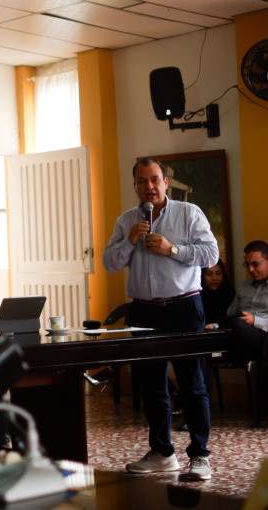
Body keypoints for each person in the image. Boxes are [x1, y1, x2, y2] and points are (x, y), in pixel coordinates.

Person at [102, 157, 218, 481]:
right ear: (135, 186)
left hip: (184, 307)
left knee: (193, 384)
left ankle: (200, 455)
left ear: (165, 182)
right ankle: (162, 453)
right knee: (152, 385)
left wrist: (173, 250)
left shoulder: (189, 213)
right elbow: (109, 263)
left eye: (154, 180)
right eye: (142, 181)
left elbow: (211, 254)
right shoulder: (126, 221)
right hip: (144, 311)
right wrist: (129, 242)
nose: (149, 187)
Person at [206, 241, 268, 362]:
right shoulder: (244, 286)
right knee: (205, 337)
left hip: (267, 340)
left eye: (255, 264)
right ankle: (211, 360)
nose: (250, 269)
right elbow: (231, 315)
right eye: (247, 265)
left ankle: (218, 354)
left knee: (237, 326)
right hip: (239, 335)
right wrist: (217, 326)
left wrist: (255, 321)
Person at [200, 260, 235, 327]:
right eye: (209, 274)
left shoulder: (229, 292)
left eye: (218, 273)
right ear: (202, 276)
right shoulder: (197, 296)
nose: (214, 278)